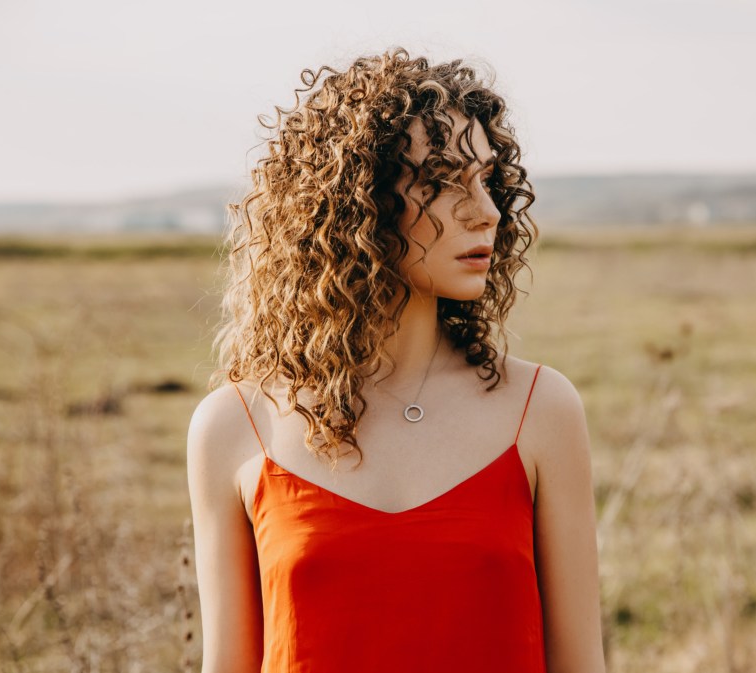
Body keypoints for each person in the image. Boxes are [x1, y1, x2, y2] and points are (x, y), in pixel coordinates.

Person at [186, 48, 605, 672]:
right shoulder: (238, 426)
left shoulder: (540, 410)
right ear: (356, 204)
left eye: (486, 180)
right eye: (442, 181)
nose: (486, 210)